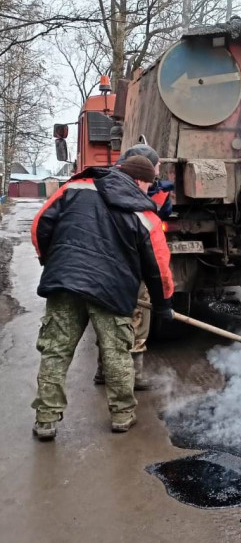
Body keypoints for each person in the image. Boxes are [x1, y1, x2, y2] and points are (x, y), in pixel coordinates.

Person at [30, 156, 174, 440]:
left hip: (64, 284)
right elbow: (157, 264)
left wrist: (53, 261)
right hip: (111, 290)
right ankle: (122, 415)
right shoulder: (143, 214)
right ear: (139, 181)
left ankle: (45, 419)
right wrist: (163, 303)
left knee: (55, 351)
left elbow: (39, 225)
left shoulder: (75, 188)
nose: (148, 191)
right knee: (116, 352)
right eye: (148, 185)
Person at [92, 144, 174, 390]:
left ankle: (103, 370)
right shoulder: (144, 195)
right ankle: (133, 377)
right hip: (134, 264)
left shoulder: (106, 185)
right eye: (155, 165)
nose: (158, 170)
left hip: (110, 265)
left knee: (109, 318)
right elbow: (156, 247)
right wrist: (164, 301)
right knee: (136, 318)